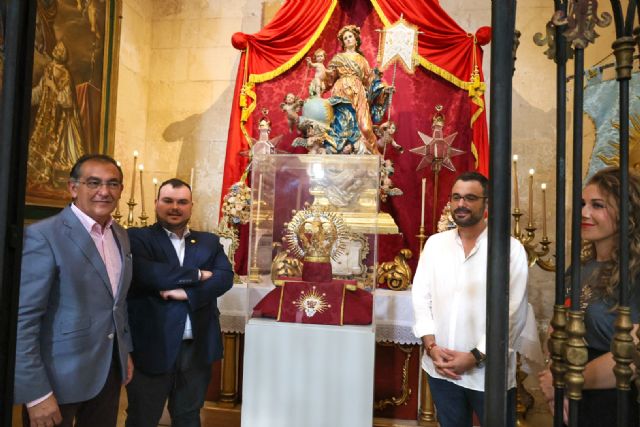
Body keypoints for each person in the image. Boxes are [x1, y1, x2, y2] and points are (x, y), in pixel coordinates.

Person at [14, 154, 134, 427]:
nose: (104, 191)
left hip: (108, 373)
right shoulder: (43, 235)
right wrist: (35, 393)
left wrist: (123, 352)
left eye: (112, 183)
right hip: (57, 380)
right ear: (73, 188)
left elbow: (118, 302)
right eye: (93, 183)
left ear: (121, 190)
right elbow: (23, 319)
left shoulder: (121, 235)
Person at [411, 171, 528, 427]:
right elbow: (421, 297)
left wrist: (476, 356)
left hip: (488, 374)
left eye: (470, 198)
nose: (461, 204)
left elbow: (513, 312)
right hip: (441, 369)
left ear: (487, 203)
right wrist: (431, 346)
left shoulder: (510, 249)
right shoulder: (435, 244)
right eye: (456, 197)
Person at [125, 178, 234, 427]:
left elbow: (224, 278)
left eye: (182, 202)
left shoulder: (208, 242)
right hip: (151, 347)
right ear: (156, 203)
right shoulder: (136, 237)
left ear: (191, 206)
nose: (175, 207)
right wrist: (197, 275)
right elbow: (148, 274)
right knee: (142, 418)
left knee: (188, 417)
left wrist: (187, 294)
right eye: (168, 201)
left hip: (196, 349)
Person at [539, 167, 640, 426]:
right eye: (583, 204)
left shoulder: (635, 273)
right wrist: (553, 371)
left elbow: (632, 357)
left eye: (598, 205)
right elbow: (556, 328)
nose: (584, 213)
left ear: (626, 212)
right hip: (570, 394)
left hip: (612, 402)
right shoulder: (579, 268)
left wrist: (563, 381)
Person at [323, 24, 393, 154]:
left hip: (359, 93)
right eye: (345, 38)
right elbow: (329, 78)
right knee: (342, 125)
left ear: (356, 40)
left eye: (350, 36)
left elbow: (370, 81)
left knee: (365, 127)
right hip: (341, 92)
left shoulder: (362, 60)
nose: (348, 39)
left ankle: (369, 153)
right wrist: (319, 82)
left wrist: (383, 90)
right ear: (343, 43)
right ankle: (343, 152)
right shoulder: (338, 58)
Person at [28, 41, 86, 189]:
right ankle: (38, 176)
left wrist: (53, 87)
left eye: (61, 50)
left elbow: (67, 101)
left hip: (59, 118)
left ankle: (51, 179)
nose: (57, 51)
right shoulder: (48, 68)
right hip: (45, 115)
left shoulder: (65, 74)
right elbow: (40, 90)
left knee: (55, 148)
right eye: (57, 48)